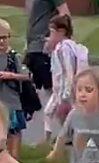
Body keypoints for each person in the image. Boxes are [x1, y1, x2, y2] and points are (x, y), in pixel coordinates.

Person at [0, 18, 33, 159]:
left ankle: (14, 158)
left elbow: (27, 76)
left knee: (15, 132)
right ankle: (2, 158)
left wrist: (9, 75)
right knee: (0, 132)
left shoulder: (14, 56)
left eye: (4, 38)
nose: (1, 41)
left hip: (13, 101)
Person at [24, 0, 69, 140]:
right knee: (40, 91)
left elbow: (65, 14)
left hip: (43, 48)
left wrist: (55, 39)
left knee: (54, 93)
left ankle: (67, 131)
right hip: (34, 48)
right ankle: (65, 131)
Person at [42, 15, 86, 146]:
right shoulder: (65, 47)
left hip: (64, 90)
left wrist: (66, 92)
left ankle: (65, 138)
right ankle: (56, 138)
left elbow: (68, 70)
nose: (50, 36)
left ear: (61, 32)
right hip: (60, 90)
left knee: (61, 113)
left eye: (52, 32)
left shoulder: (64, 48)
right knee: (51, 112)